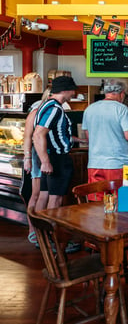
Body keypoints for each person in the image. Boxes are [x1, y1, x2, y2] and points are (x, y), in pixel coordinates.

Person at [81, 79, 128, 200]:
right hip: (119, 164)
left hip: (95, 164)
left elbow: (88, 137)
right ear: (122, 93)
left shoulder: (89, 109)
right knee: (123, 200)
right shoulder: (121, 109)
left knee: (97, 201)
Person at [33, 76, 77, 212]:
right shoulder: (55, 109)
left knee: (44, 196)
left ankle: (41, 231)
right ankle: (51, 231)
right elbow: (38, 134)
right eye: (72, 90)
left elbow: (53, 133)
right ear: (66, 90)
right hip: (56, 158)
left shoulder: (46, 105)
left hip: (50, 157)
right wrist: (46, 161)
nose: (74, 93)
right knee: (56, 198)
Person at [23, 88, 50, 245]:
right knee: (37, 194)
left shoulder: (54, 109)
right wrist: (27, 158)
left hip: (47, 155)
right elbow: (28, 136)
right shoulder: (37, 111)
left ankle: (41, 230)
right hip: (37, 156)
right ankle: (33, 231)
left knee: (43, 194)